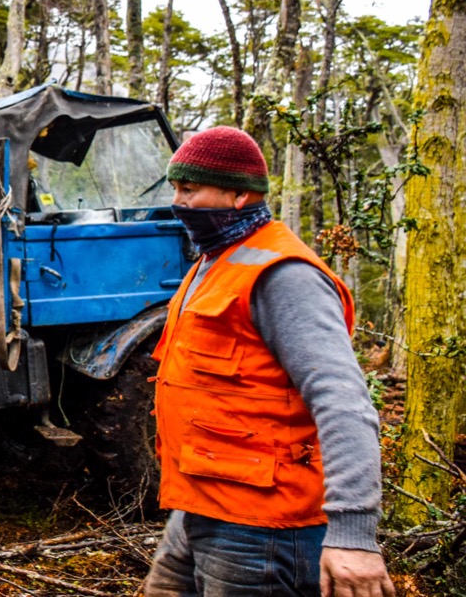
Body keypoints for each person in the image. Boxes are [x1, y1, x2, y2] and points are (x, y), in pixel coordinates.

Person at [145, 126, 395, 597]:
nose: (177, 203)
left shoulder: (284, 275)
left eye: (189, 190)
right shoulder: (214, 261)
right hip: (203, 506)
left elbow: (344, 403)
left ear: (239, 194)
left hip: (263, 526)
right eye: (175, 188)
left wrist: (354, 536)